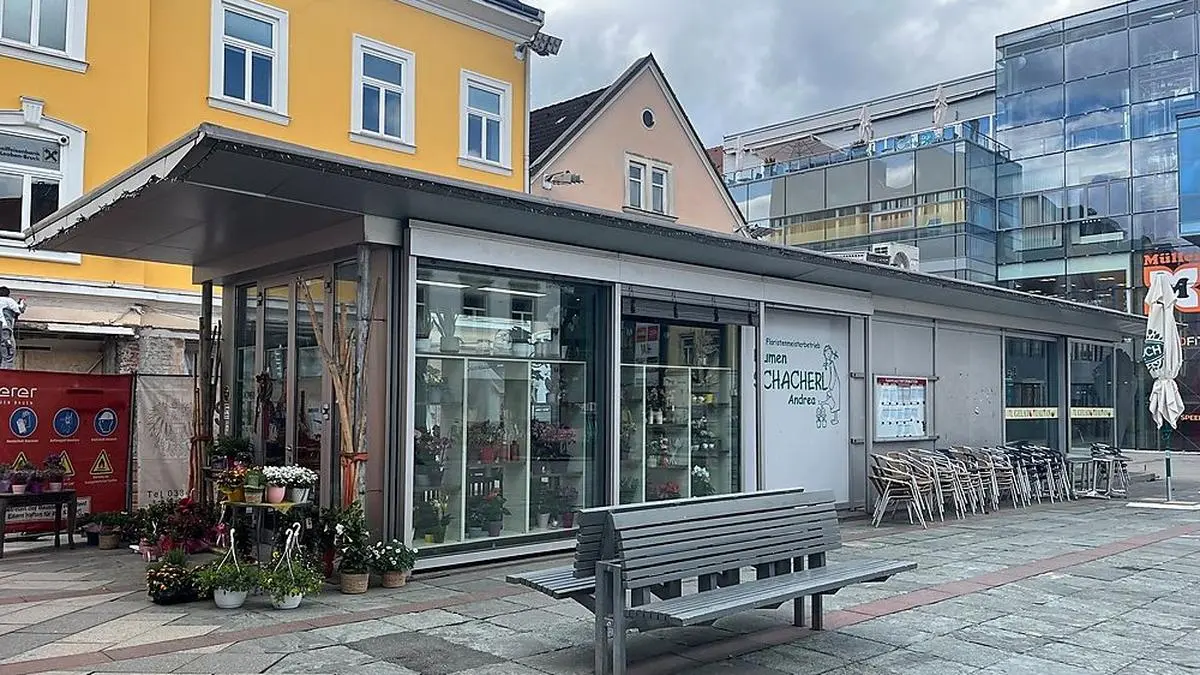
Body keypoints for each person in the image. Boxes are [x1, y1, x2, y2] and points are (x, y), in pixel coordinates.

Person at [0, 286, 26, 369]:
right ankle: (7, 372)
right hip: (5, 328)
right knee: (8, 351)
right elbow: (20, 309)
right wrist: (22, 301)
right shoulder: (8, 300)